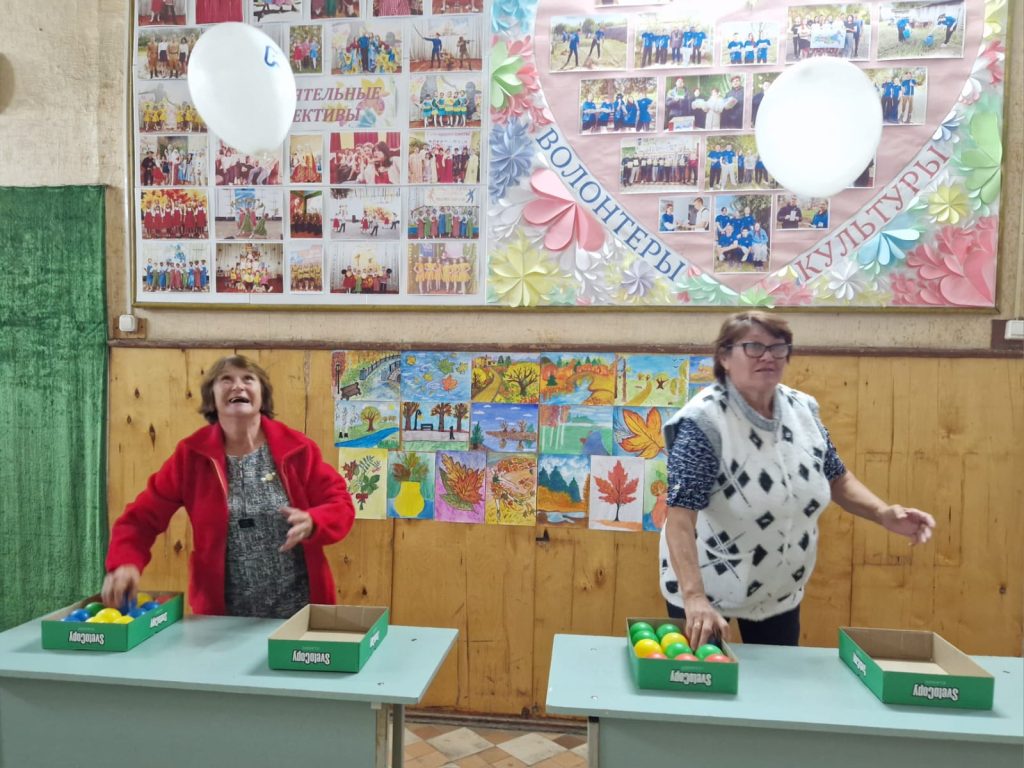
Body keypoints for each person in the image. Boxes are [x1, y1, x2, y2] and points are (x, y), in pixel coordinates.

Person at [660, 312, 935, 647]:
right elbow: (680, 517)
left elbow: (836, 478)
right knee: (704, 674)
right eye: (754, 347)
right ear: (725, 357)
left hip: (778, 586)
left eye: (778, 347)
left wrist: (882, 512)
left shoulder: (802, 409)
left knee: (778, 676)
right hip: (707, 588)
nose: (768, 357)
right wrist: (694, 598)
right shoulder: (704, 422)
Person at [102, 356, 356, 618]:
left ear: (262, 395)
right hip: (222, 619)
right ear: (211, 398)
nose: (238, 386)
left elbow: (340, 504)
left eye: (248, 379)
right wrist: (124, 563)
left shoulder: (297, 449)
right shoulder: (191, 456)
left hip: (300, 612)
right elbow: (140, 519)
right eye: (226, 379)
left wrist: (314, 521)